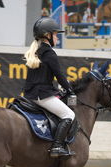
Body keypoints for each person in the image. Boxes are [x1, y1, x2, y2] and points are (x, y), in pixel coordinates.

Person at [23, 17, 75, 158]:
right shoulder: (49, 53)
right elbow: (60, 76)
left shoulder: (35, 51)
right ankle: (57, 146)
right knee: (69, 115)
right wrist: (70, 90)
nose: (57, 38)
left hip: (29, 94)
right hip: (42, 95)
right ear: (47, 36)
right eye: (56, 34)